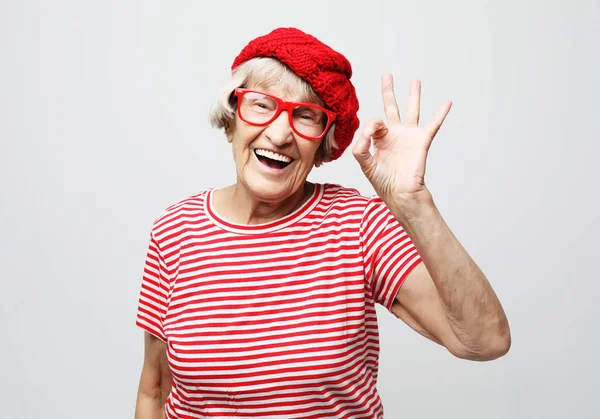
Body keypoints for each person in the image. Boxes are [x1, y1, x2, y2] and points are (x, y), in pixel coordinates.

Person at [134, 27, 511, 419]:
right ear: (232, 118)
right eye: (261, 104)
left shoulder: (358, 225)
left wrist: (414, 204)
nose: (280, 134)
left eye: (306, 116)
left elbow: (485, 340)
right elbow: (155, 390)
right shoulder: (175, 229)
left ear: (323, 146)